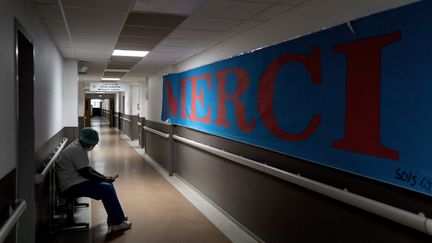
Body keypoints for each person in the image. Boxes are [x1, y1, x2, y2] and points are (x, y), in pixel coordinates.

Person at [56, 127, 131, 232]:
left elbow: (88, 169)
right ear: (88, 142)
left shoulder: (78, 146)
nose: (93, 146)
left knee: (108, 186)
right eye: (93, 144)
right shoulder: (77, 150)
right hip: (70, 186)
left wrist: (104, 178)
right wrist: (103, 179)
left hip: (75, 180)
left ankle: (116, 217)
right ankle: (118, 223)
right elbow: (85, 173)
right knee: (106, 189)